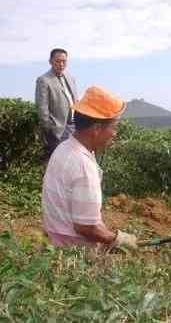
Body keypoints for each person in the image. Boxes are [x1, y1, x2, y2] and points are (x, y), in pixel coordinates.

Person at [42, 86, 137, 249]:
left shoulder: (64, 147)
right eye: (114, 127)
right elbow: (86, 227)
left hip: (53, 241)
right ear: (97, 129)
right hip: (71, 252)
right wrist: (117, 239)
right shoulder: (83, 166)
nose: (115, 134)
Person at [35, 48, 78, 158]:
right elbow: (42, 108)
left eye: (64, 61)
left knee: (73, 162)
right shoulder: (43, 80)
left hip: (75, 126)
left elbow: (76, 101)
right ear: (50, 61)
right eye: (58, 61)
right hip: (58, 131)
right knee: (60, 163)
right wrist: (51, 130)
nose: (61, 64)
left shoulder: (70, 78)